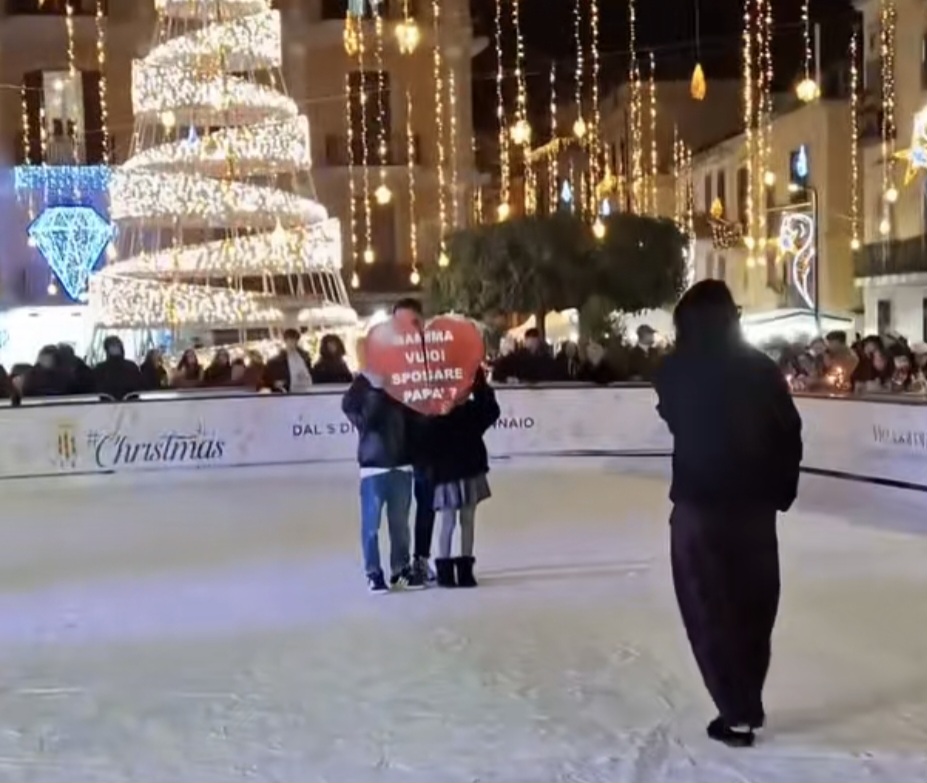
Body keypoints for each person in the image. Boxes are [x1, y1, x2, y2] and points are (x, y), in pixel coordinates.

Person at [653, 280, 803, 748]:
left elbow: (673, 416)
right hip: (754, 508)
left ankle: (735, 709)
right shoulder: (760, 369)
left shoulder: (674, 369)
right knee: (753, 608)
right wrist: (779, 491)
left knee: (707, 607)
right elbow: (789, 433)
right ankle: (746, 702)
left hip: (700, 505)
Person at [342, 368, 425, 593]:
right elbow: (353, 409)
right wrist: (374, 388)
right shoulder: (364, 384)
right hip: (373, 466)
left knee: (400, 525)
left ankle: (400, 569)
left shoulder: (403, 378)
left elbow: (417, 416)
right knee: (371, 525)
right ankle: (373, 572)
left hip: (402, 463)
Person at [420, 368, 500, 587]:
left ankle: (460, 569)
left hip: (463, 471)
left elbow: (492, 411)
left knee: (463, 521)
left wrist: (480, 383)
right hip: (452, 473)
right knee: (453, 521)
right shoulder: (438, 415)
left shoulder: (470, 411)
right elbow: (425, 442)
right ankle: (449, 569)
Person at [388, 297, 438, 585]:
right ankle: (399, 562)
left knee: (426, 503)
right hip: (394, 447)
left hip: (426, 444)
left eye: (411, 321)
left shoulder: (435, 356)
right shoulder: (386, 359)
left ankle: (421, 559)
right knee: (397, 508)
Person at [491, 328, 559, 383]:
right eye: (531, 342)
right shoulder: (516, 358)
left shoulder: (545, 359)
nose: (533, 345)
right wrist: (508, 379)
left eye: (534, 342)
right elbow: (497, 372)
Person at [93, 336, 142, 400]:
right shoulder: (131, 366)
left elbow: (94, 388)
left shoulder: (99, 368)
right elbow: (140, 386)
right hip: (131, 404)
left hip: (105, 405)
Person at [266, 328, 313, 393]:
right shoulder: (276, 362)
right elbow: (271, 381)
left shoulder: (305, 357)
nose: (293, 343)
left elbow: (309, 373)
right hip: (287, 392)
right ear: (285, 341)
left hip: (304, 390)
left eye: (295, 340)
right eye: (291, 340)